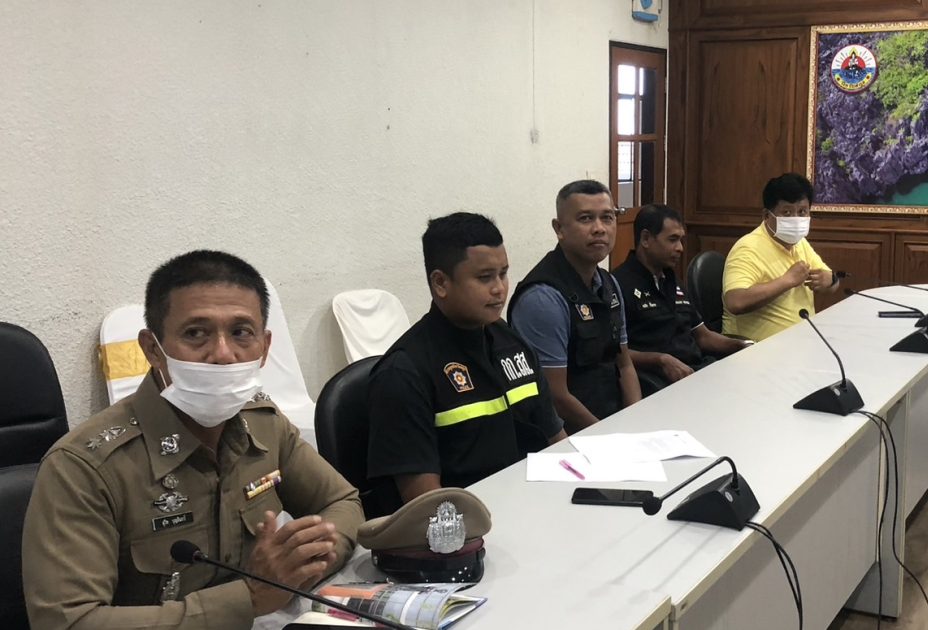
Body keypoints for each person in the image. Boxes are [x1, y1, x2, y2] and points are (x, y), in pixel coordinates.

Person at [22, 250, 364, 629]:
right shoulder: (84, 467)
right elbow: (66, 622)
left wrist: (304, 563)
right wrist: (250, 597)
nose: (223, 354)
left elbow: (342, 502)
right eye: (196, 333)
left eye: (241, 332)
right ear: (153, 349)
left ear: (265, 347)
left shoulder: (264, 423)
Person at [367, 212, 566, 509]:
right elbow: (428, 507)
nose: (499, 288)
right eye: (484, 277)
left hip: (535, 504)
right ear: (441, 283)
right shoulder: (405, 372)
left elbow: (556, 441)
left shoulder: (512, 342)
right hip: (470, 524)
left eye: (503, 273)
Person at [509, 180, 641, 432]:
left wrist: (635, 421)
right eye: (585, 219)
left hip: (611, 423)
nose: (599, 229)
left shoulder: (609, 283)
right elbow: (555, 396)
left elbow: (624, 364)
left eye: (607, 218)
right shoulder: (543, 298)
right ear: (559, 228)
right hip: (567, 436)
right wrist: (610, 436)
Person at [613, 203, 749, 385]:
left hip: (698, 370)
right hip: (659, 380)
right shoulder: (619, 285)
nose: (680, 248)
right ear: (646, 239)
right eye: (672, 240)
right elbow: (612, 353)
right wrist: (659, 359)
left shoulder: (672, 280)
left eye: (681, 240)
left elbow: (703, 336)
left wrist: (742, 346)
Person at [722, 173, 839, 341]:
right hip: (758, 349)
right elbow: (736, 302)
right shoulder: (747, 248)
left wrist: (830, 280)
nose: (796, 219)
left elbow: (831, 283)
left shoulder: (799, 243)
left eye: (802, 212)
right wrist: (787, 281)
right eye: (787, 212)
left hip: (802, 342)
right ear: (766, 216)